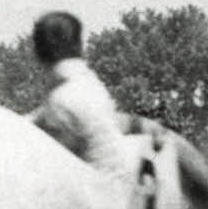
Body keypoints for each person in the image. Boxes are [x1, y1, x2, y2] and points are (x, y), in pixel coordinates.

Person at [26, 10, 137, 176]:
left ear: (38, 52)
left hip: (97, 192)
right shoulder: (90, 84)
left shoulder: (61, 101)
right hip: (122, 183)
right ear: (79, 44)